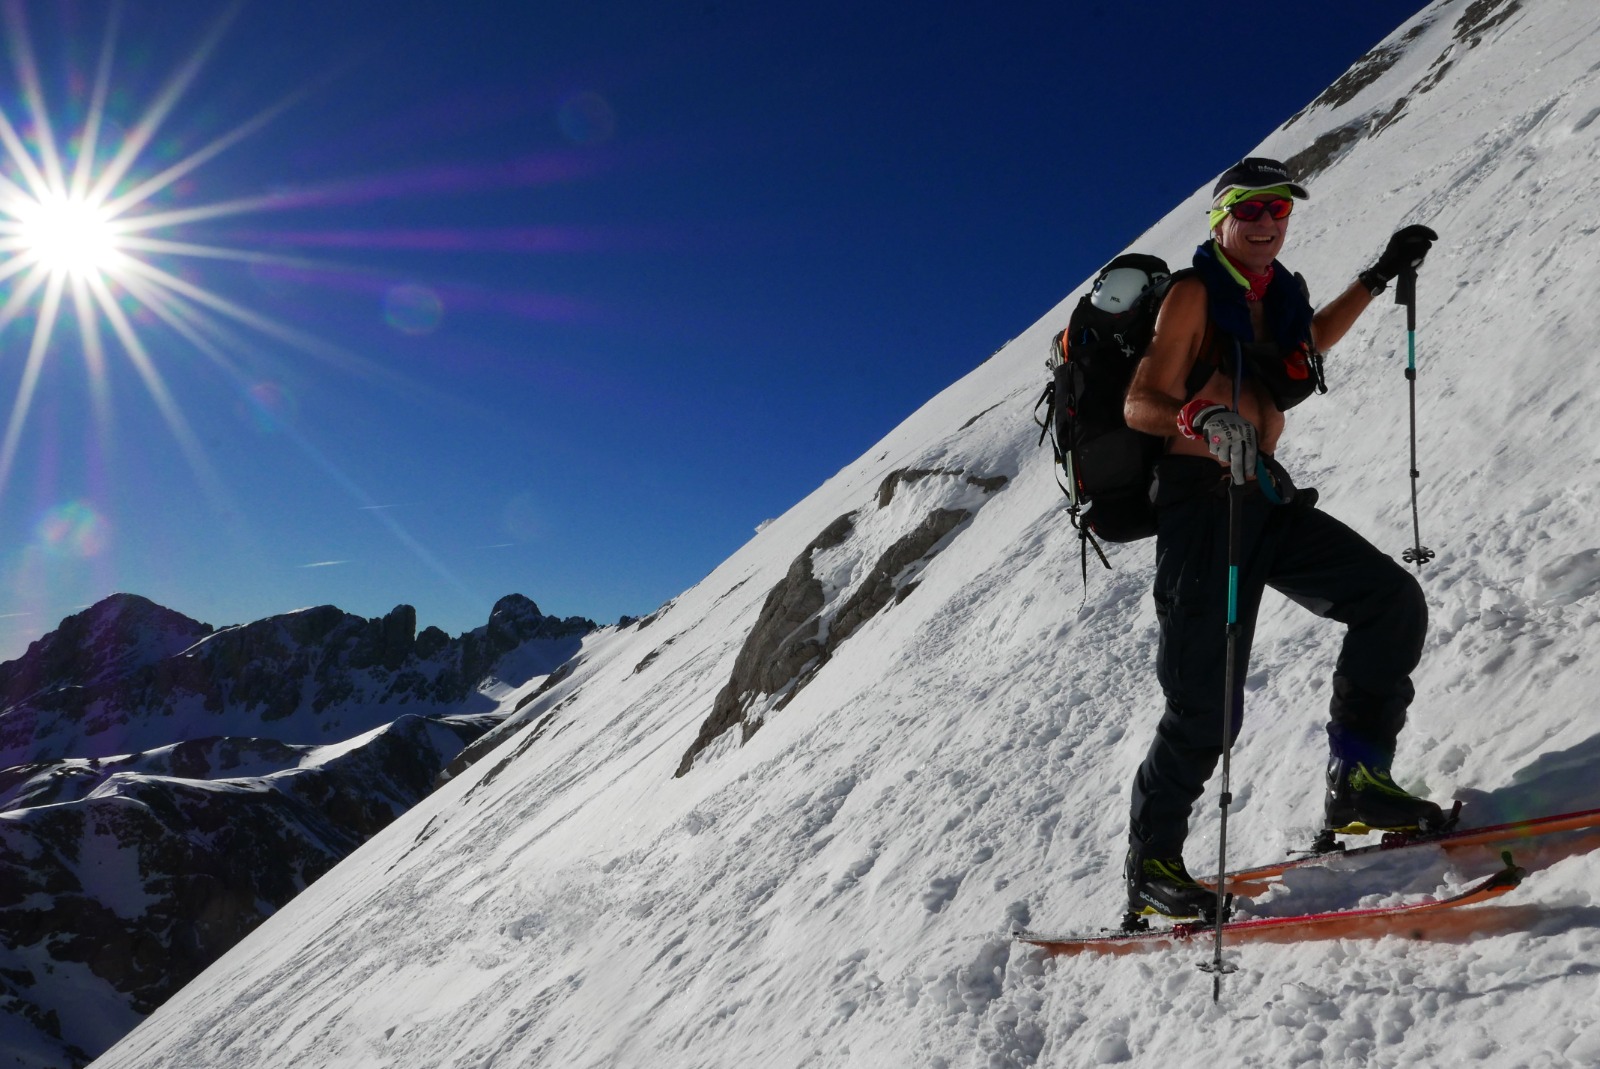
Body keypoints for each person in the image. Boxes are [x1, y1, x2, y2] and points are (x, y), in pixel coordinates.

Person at [1119, 156, 1445, 921]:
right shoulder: (1195, 293)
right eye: (1251, 208)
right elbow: (1140, 399)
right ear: (1221, 220)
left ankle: (1357, 784)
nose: (1267, 221)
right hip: (1203, 508)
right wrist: (1199, 417)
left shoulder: (1276, 295)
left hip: (1264, 496)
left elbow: (1311, 341)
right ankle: (1152, 866)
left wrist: (1378, 275)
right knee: (1205, 703)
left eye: (1279, 209)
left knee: (1389, 600)